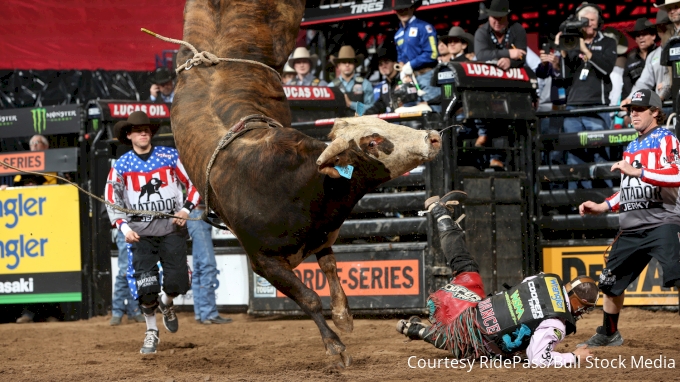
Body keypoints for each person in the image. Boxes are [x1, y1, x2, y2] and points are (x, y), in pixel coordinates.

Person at [396, 190, 598, 364]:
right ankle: (418, 331)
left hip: (461, 304)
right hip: (463, 329)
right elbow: (538, 358)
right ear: (579, 305)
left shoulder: (544, 279)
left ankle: (441, 215)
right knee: (467, 343)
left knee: (465, 264)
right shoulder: (557, 323)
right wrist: (574, 356)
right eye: (584, 308)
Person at [577, 89, 680, 347]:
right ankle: (609, 333)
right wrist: (603, 206)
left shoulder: (667, 138)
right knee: (610, 283)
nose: (633, 114)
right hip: (631, 228)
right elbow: (627, 189)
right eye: (630, 110)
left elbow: (677, 175)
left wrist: (638, 171)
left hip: (663, 222)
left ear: (655, 112)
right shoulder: (632, 145)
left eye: (639, 109)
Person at [105, 111, 200, 354]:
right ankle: (151, 332)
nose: (143, 132)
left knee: (177, 282)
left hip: (172, 228)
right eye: (137, 130)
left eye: (146, 129)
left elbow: (194, 183)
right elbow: (111, 198)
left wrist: (187, 210)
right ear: (129, 135)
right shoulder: (121, 165)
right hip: (140, 234)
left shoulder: (170, 156)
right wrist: (124, 228)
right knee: (146, 287)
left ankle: (167, 303)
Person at [558, 2, 617, 189]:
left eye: (592, 20)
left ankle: (607, 202)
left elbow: (607, 69)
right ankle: (578, 204)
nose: (588, 24)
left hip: (596, 107)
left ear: (599, 22)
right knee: (574, 158)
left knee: (600, 155)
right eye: (585, 20)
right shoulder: (572, 42)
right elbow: (565, 77)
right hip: (573, 107)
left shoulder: (608, 41)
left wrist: (585, 50)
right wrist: (564, 53)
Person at [14, 134, 62, 323]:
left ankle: (52, 313)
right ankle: (29, 313)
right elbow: (16, 184)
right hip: (26, 224)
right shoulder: (22, 166)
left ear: (46, 147)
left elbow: (54, 187)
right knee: (30, 268)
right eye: (32, 144)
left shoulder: (52, 166)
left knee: (52, 268)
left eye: (38, 144)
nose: (34, 147)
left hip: (49, 222)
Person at [186, 201, 233, 325]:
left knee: (200, 268)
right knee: (207, 266)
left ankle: (201, 313)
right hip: (199, 214)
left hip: (196, 214)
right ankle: (208, 313)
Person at [393, 0, 441, 112]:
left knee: (434, 115)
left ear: (412, 8)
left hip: (427, 77)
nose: (403, 12)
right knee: (412, 117)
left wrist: (411, 64)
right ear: (395, 12)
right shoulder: (398, 34)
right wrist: (403, 72)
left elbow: (432, 54)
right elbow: (401, 57)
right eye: (400, 9)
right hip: (410, 81)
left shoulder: (424, 27)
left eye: (406, 8)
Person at [474, 0, 527, 71]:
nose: (497, 22)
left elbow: (521, 56)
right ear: (489, 17)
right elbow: (481, 55)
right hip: (488, 73)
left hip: (512, 73)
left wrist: (510, 62)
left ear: (507, 17)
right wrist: (508, 53)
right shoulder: (482, 32)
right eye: (494, 17)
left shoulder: (517, 29)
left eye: (500, 18)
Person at [364, 46, 417, 115]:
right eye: (380, 64)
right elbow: (380, 105)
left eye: (386, 62)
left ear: (395, 63)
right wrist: (365, 114)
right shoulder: (384, 86)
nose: (383, 66)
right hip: (393, 122)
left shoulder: (405, 79)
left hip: (407, 120)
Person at [110, 230, 145, 325]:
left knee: (135, 272)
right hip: (125, 231)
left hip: (140, 231)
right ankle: (117, 313)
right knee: (125, 272)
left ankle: (133, 310)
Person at [328, 45, 374, 115]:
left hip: (360, 124)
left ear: (355, 64)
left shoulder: (365, 84)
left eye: (350, 61)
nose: (347, 65)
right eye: (343, 62)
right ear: (338, 66)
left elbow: (372, 109)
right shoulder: (331, 86)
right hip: (339, 125)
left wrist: (350, 104)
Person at [622, 18, 659, 100]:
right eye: (638, 35)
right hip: (639, 104)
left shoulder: (661, 54)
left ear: (653, 36)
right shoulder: (630, 60)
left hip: (661, 102)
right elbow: (626, 88)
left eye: (644, 34)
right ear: (635, 39)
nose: (641, 37)